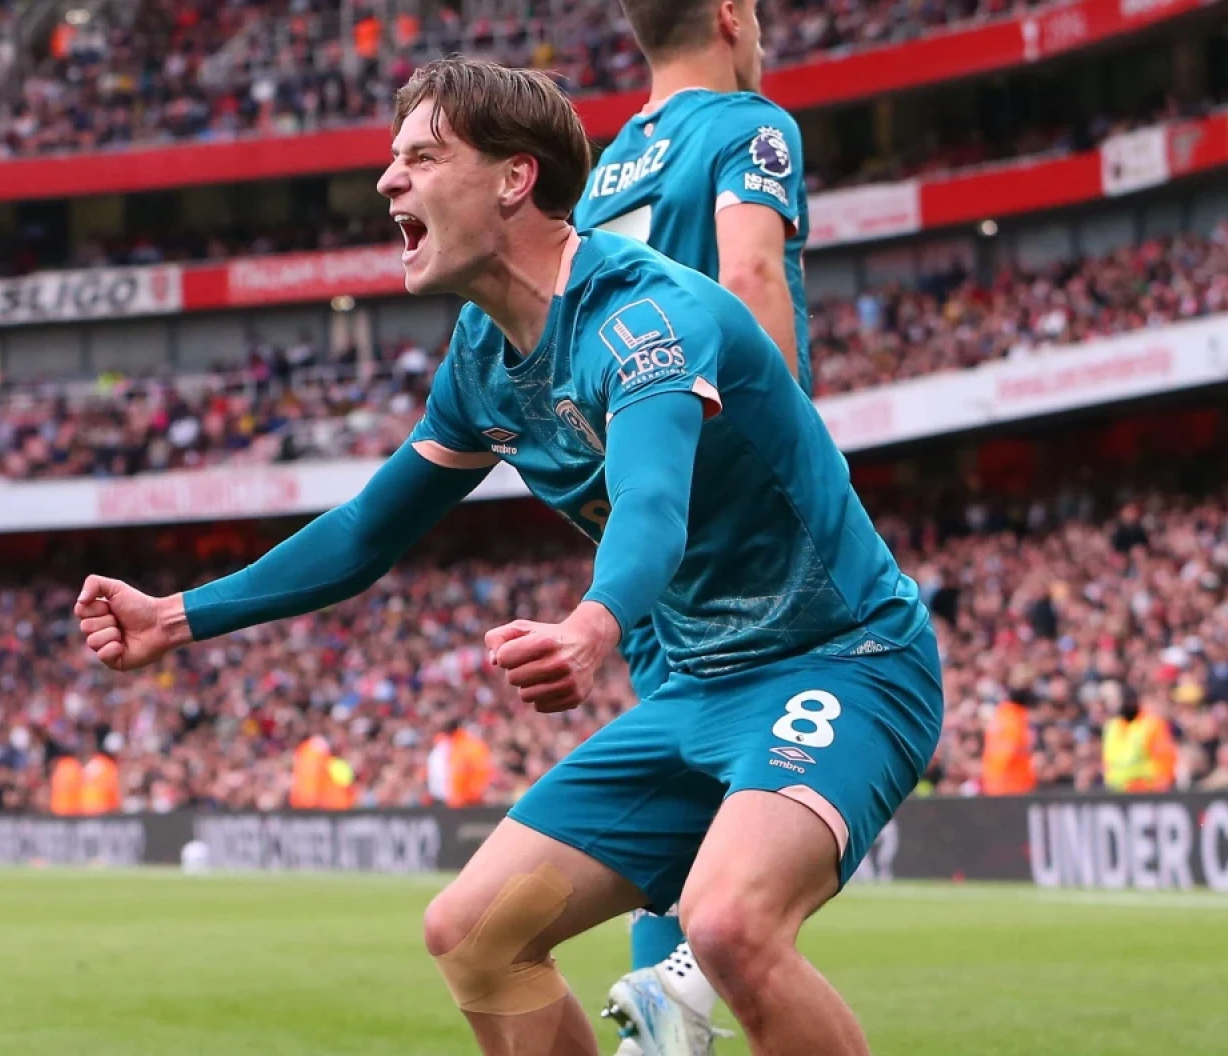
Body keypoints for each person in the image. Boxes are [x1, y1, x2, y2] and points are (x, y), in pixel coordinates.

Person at [74, 58, 941, 1056]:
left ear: (513, 179)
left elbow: (652, 504)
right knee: (473, 934)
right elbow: (366, 532)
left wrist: (592, 625)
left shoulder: (644, 316)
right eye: (393, 159)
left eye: (422, 157)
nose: (388, 180)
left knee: (729, 927)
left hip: (844, 662)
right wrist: (175, 615)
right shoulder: (482, 359)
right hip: (697, 690)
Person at [572, 0, 810, 1047]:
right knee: (835, 747)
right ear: (729, 14)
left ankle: (659, 1025)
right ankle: (687, 985)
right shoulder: (747, 125)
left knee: (692, 788)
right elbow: (748, 270)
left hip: (649, 513)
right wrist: (785, 453)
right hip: (742, 501)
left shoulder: (599, 176)